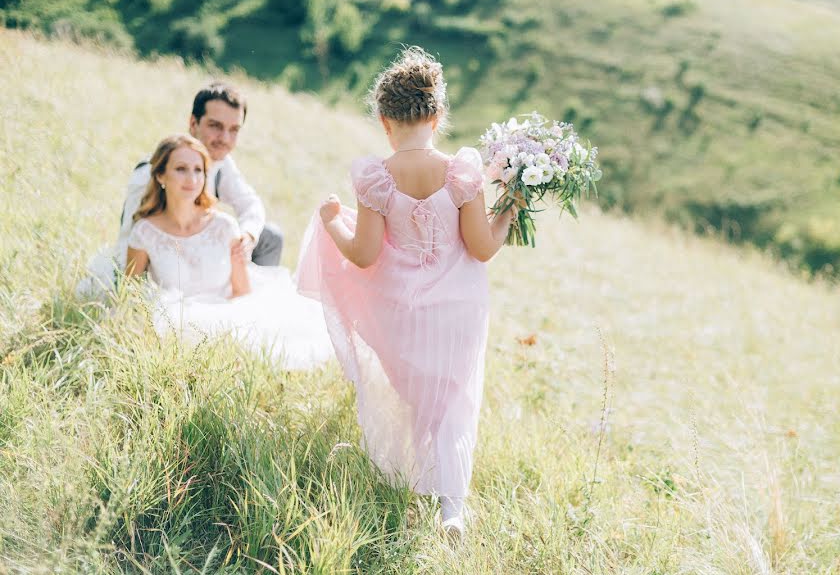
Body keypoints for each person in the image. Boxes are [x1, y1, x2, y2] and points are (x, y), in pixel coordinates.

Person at [295, 47, 517, 539]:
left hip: (401, 311)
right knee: (455, 401)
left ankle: (413, 481)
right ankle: (451, 509)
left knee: (418, 396)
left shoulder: (376, 177)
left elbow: (364, 254)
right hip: (458, 309)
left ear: (383, 120)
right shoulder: (462, 172)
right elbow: (481, 248)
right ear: (438, 116)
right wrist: (508, 213)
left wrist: (332, 223)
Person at [126, 134, 333, 371]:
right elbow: (130, 291)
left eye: (199, 170)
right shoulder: (145, 231)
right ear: (161, 175)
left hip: (226, 314)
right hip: (173, 322)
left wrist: (218, 324)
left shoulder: (223, 226)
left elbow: (242, 291)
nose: (192, 179)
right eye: (181, 169)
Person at [77, 82, 282, 298]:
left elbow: (250, 203)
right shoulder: (149, 174)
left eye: (234, 130)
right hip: (163, 262)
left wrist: (247, 236)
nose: (224, 139)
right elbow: (131, 237)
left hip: (204, 250)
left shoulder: (222, 163)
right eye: (215, 126)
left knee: (270, 237)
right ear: (193, 123)